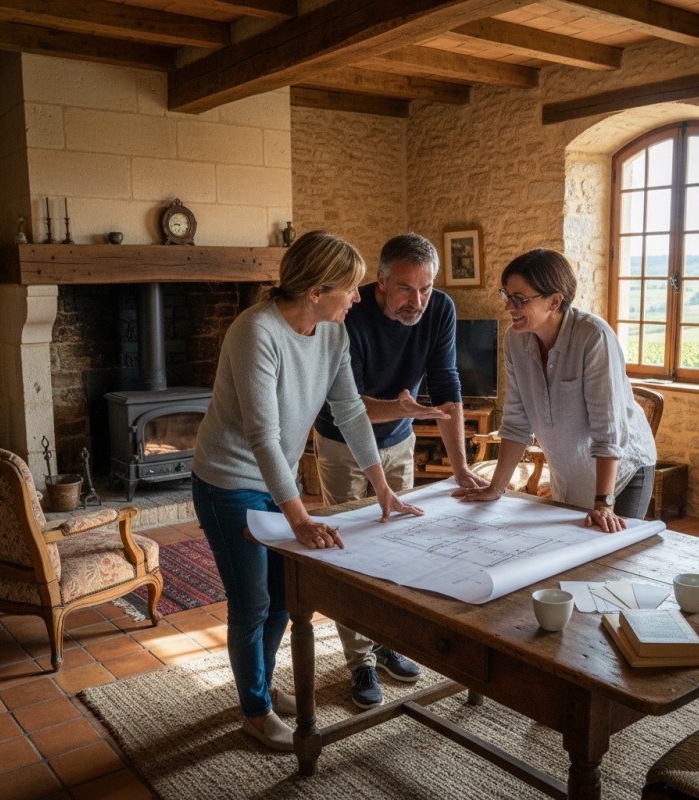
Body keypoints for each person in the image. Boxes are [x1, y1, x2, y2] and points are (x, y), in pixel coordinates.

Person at [191, 231, 423, 752]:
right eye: (351, 289)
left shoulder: (333, 334)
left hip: (275, 481)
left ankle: (261, 688)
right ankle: (254, 711)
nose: (359, 298)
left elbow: (351, 412)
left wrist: (382, 489)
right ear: (316, 290)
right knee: (251, 603)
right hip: (228, 482)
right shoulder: (256, 331)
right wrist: (300, 518)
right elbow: (262, 438)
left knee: (282, 600)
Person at [314, 231, 487, 709]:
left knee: (397, 544)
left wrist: (459, 468)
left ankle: (388, 641)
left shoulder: (441, 309)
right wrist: (404, 409)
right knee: (352, 553)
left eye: (426, 288)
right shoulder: (348, 315)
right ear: (381, 282)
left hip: (399, 440)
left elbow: (446, 383)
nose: (418, 301)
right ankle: (360, 661)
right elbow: (348, 406)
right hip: (343, 442)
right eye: (407, 289)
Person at [455, 247, 656, 530]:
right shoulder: (514, 341)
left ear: (554, 301)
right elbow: (515, 422)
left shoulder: (593, 337)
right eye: (506, 296)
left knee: (614, 559)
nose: (508, 307)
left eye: (519, 299)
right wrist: (496, 488)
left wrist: (604, 503)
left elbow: (608, 428)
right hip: (569, 476)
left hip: (620, 474)